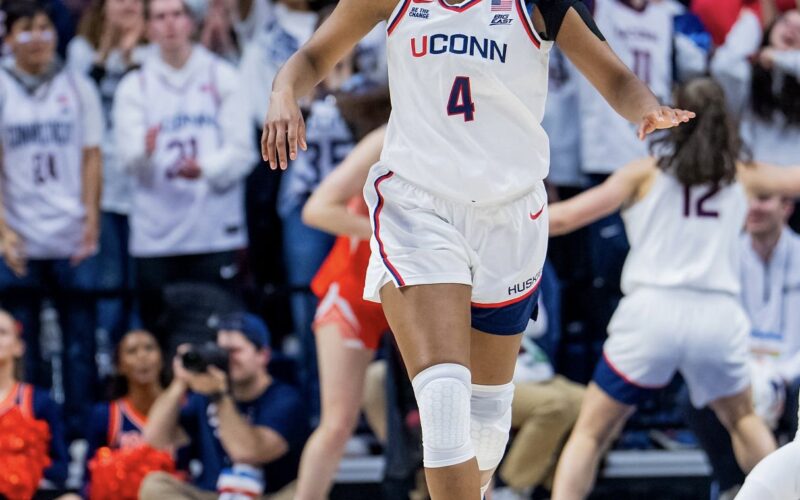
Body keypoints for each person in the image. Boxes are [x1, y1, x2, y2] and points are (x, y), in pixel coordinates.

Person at [260, 0, 693, 497]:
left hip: (509, 214)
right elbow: (315, 55)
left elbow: (615, 76)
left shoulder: (536, 4)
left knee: (487, 421)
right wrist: (283, 91)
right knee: (444, 402)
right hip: (419, 206)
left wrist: (646, 109)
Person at [546, 78, 800, 500]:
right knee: (742, 419)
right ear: (727, 121)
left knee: (590, 433)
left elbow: (561, 220)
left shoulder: (642, 172)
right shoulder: (744, 175)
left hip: (651, 312)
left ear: (673, 116)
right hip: (717, 316)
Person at [113, 0, 255, 337]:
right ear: (148, 28)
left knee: (220, 334)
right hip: (156, 238)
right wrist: (145, 153)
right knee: (161, 336)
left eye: (177, 14)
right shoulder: (134, 86)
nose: (170, 24)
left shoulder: (222, 75)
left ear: (191, 22)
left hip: (214, 231)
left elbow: (244, 152)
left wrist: (204, 168)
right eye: (160, 17)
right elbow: (126, 161)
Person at [0, 0, 103, 439]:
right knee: (24, 350)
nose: (38, 36)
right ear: (9, 37)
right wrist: (2, 229)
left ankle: (78, 436)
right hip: (18, 236)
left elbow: (92, 157)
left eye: (45, 27)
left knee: (80, 347)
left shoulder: (77, 85)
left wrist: (92, 222)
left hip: (69, 231)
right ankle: (30, 436)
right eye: (27, 28)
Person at [680, 192, 800, 499]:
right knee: (694, 395)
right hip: (742, 365)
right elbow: (714, 325)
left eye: (764, 199)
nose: (754, 208)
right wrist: (748, 370)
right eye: (749, 199)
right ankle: (729, 484)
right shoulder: (722, 256)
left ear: (786, 207)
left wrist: (784, 373)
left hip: (793, 369)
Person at [293, 125, 389, 499]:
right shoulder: (385, 138)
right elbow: (316, 210)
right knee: (337, 424)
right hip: (354, 289)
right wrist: (387, 233)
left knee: (450, 414)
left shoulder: (465, 133)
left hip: (414, 290)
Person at [141, 312, 308, 499]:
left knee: (304, 493)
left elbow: (248, 452)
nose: (226, 360)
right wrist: (180, 382)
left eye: (234, 351)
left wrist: (220, 396)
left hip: (270, 495)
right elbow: (155, 439)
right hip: (214, 494)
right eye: (221, 351)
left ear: (263, 355)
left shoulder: (285, 399)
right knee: (154, 485)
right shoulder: (203, 395)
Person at [67, 0, 149, 365]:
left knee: (141, 284)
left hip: (146, 186)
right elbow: (78, 104)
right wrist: (105, 52)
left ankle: (142, 356)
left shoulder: (153, 50)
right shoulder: (80, 50)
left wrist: (132, 57)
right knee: (111, 282)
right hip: (104, 186)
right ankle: (108, 362)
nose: (129, 4)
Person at [0, 308, 69, 491]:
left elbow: (61, 469)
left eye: (2, 332)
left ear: (18, 346)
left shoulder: (40, 401)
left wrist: (18, 469)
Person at [87, 329, 164, 458]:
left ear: (161, 359)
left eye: (149, 348)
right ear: (119, 366)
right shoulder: (106, 415)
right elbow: (90, 473)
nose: (142, 356)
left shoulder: (185, 408)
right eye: (132, 351)